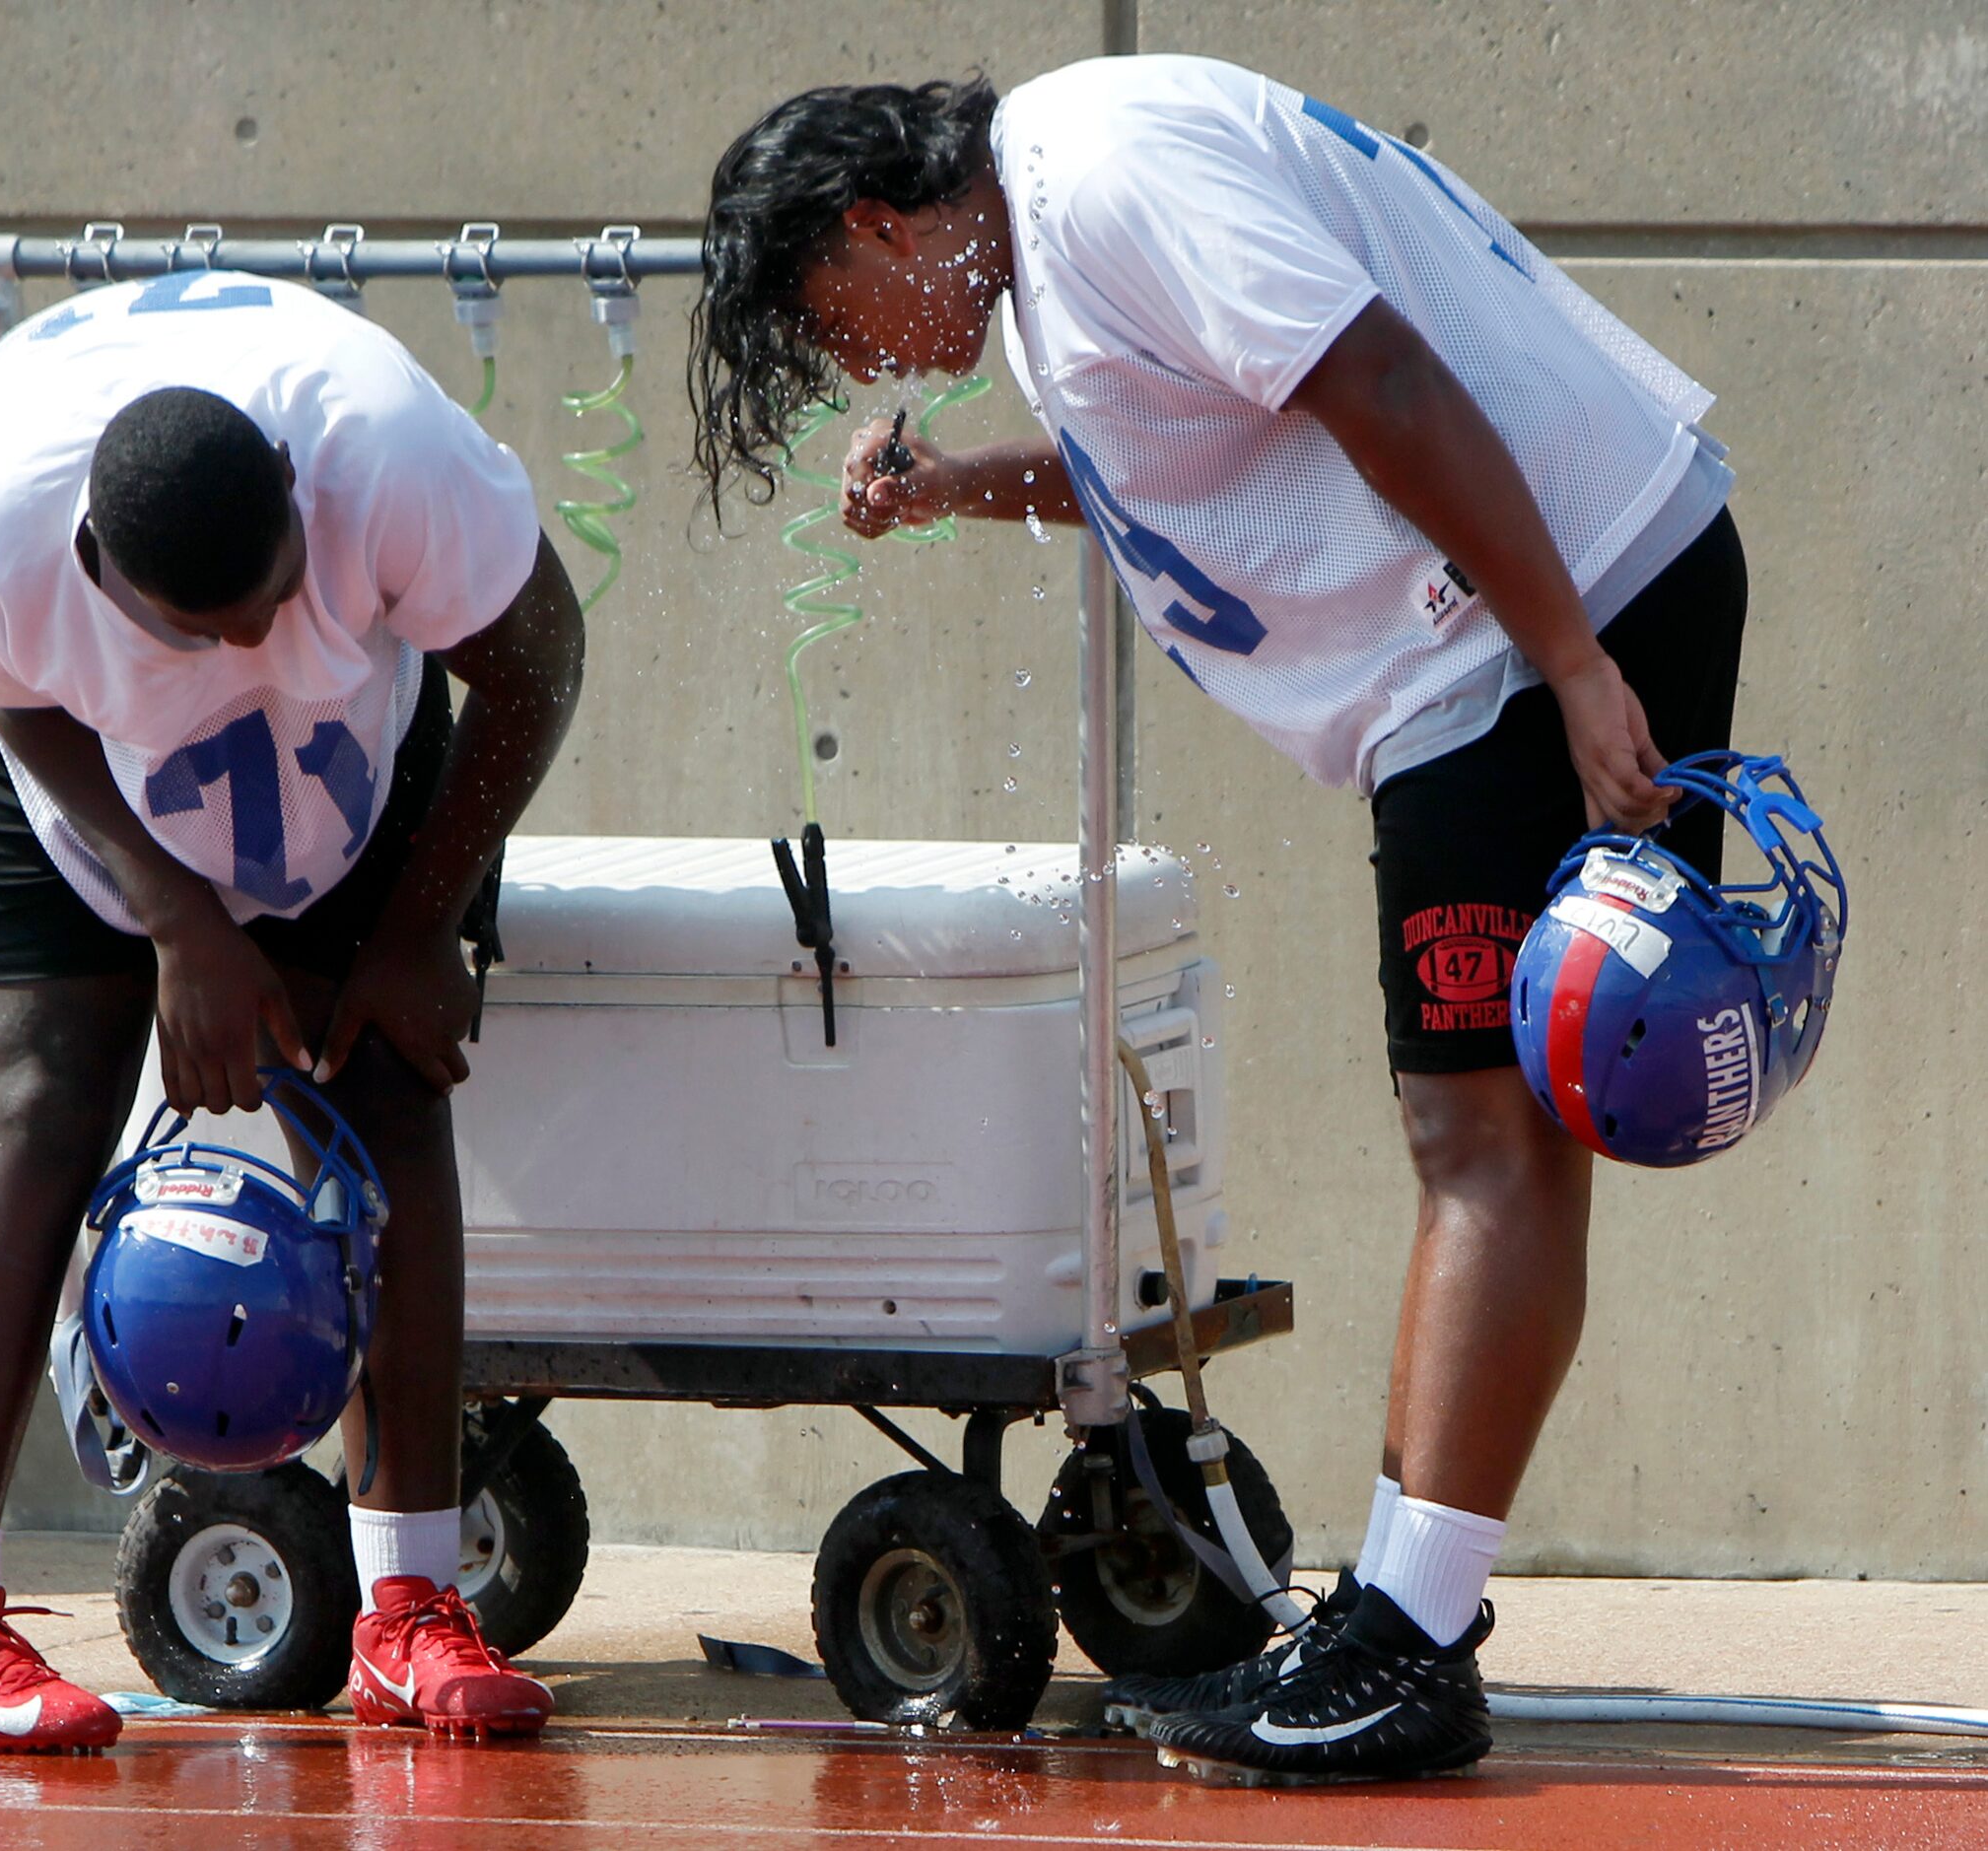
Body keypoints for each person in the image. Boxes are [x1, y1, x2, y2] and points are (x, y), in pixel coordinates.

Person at [690, 58, 1747, 1781]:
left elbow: (1382, 377)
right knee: (1491, 1128)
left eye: (839, 311)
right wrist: (967, 485)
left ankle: (1409, 1641)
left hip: (1533, 615)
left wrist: (1567, 658)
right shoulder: (1054, 237)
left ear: (880, 222)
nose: (860, 360)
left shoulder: (1098, 175)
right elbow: (1178, 449)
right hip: (1512, 618)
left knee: (1485, 1130)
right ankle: (1404, 1616)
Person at [0, 269, 584, 1752]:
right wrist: (176, 921)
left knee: (388, 1067)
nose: (256, 644)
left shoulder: (385, 459)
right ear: (104, 577)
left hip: (352, 738)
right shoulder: (1, 545)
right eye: (215, 628)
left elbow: (536, 662)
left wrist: (421, 926)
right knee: (38, 1082)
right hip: (64, 756)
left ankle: (411, 1610)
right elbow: (10, 698)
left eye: (277, 594)